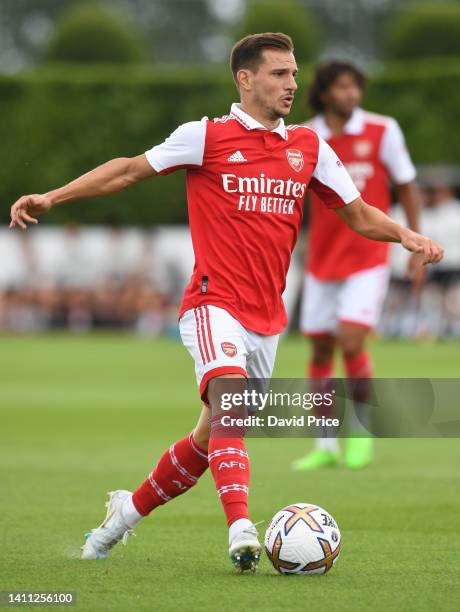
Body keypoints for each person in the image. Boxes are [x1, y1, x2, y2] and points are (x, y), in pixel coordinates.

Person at [9, 34, 443, 573]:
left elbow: (356, 213)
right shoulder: (205, 136)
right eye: (280, 74)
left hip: (267, 318)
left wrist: (406, 236)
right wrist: (52, 196)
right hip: (213, 302)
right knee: (232, 403)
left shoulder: (308, 146)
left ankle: (118, 521)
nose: (292, 84)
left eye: (293, 74)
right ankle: (241, 526)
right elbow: (127, 170)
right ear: (245, 79)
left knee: (208, 436)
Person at [292, 61, 425, 472]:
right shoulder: (306, 136)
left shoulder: (383, 130)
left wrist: (415, 245)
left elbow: (406, 186)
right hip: (321, 261)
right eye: (343, 87)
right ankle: (325, 444)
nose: (351, 94)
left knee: (351, 341)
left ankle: (361, 434)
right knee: (319, 346)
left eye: (356, 87)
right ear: (325, 92)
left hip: (368, 257)